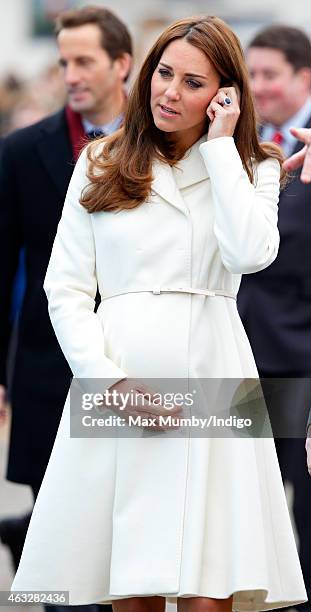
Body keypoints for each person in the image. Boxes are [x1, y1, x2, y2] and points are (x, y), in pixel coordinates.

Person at [11, 15, 307, 612]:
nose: (171, 91)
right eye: (165, 73)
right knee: (132, 583)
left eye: (194, 83)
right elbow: (64, 287)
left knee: (212, 587)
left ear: (225, 95)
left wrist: (223, 148)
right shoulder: (100, 160)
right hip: (120, 380)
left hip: (218, 374)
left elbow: (250, 254)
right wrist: (106, 379)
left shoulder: (254, 166)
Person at [0, 5, 132, 612]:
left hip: (134, 364)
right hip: (47, 368)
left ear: (122, 64)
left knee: (126, 527)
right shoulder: (24, 151)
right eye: (62, 62)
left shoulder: (167, 150)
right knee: (56, 544)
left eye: (85, 61)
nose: (70, 74)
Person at [237, 25, 311, 611]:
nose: (259, 87)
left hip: (309, 355)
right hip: (242, 353)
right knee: (246, 500)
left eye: (271, 75)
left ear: (305, 78)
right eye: (253, 75)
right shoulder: (242, 143)